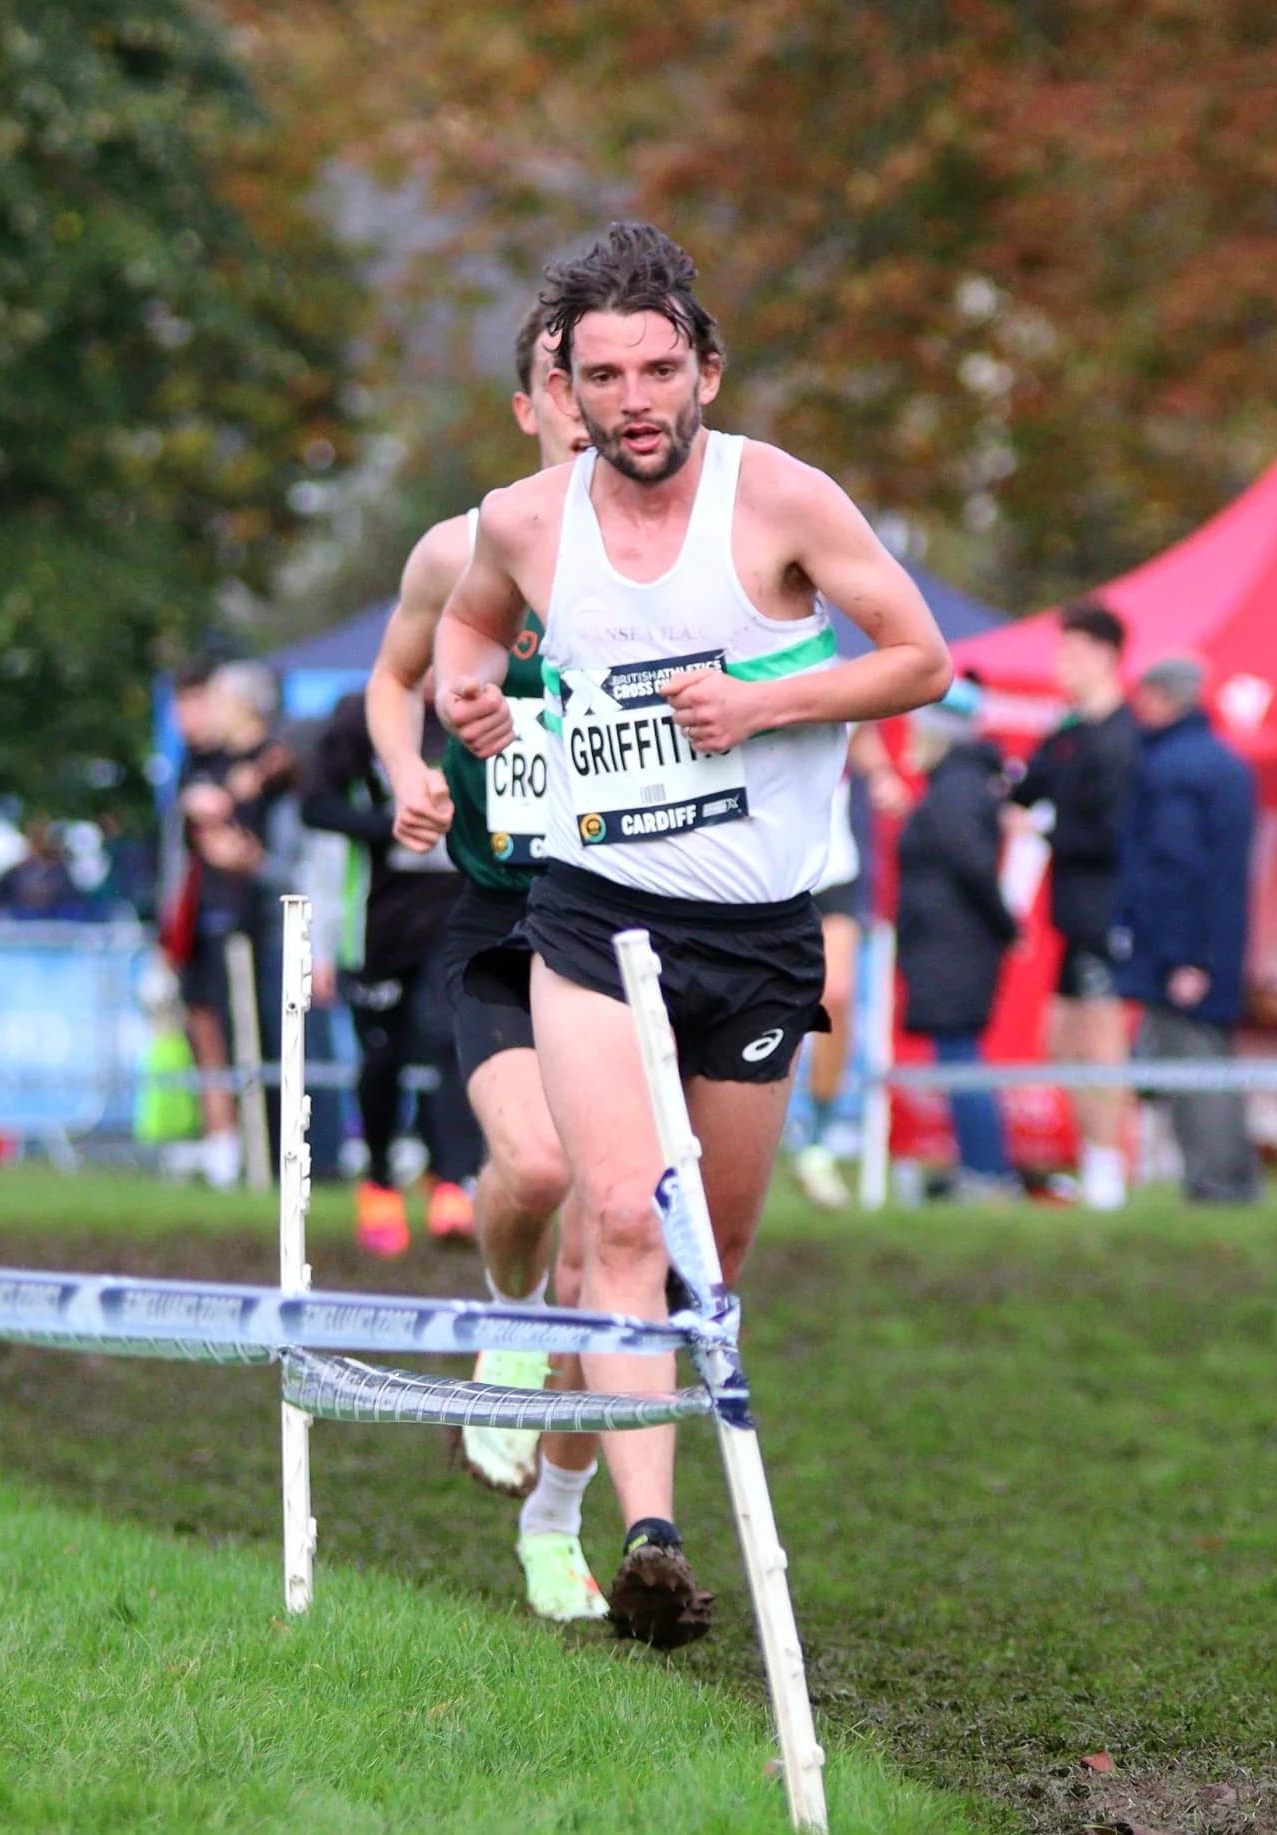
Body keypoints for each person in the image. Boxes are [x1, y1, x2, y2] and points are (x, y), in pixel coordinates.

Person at [435, 221, 951, 1646]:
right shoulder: (526, 522)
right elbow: (465, 634)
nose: (634, 397)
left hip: (759, 932)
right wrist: (473, 699)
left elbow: (921, 658)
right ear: (567, 388)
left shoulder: (778, 498)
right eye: (603, 374)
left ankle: (553, 1491)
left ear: (705, 370)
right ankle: (649, 1536)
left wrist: (763, 702)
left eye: (659, 366)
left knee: (702, 1254)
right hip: (598, 914)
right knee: (613, 1213)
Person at [367, 302, 610, 1619]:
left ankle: (550, 1519)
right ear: (530, 406)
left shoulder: (663, 564)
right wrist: (406, 770)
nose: (589, 403)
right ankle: (503, 1329)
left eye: (614, 378)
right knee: (532, 1167)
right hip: (500, 919)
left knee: (609, 1252)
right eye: (563, 381)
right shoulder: (458, 547)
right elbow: (389, 675)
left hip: (631, 921)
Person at [301, 687, 481, 1257]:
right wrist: (392, 823)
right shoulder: (362, 715)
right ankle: (379, 1180)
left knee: (453, 1041)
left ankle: (453, 1181)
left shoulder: (479, 707)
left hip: (457, 914)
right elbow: (315, 807)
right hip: (373, 927)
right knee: (383, 1058)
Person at [1114, 658, 1261, 1205]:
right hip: (1216, 941)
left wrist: (1182, 957)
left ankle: (1216, 1184)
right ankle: (1235, 1180)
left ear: (1161, 696)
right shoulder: (1224, 763)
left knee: (1193, 1069)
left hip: (1182, 950)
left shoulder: (1172, 768)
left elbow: (1173, 869)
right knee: (1215, 1062)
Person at [1011, 598, 1137, 1211]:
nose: (1063, 662)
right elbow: (1023, 787)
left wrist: (1041, 829)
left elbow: (1115, 832)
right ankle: (1095, 1156)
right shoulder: (1066, 732)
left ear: (1108, 656)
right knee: (1062, 1040)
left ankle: (1110, 1165)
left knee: (1100, 1036)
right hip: (1068, 909)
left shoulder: (1125, 736)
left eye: (1075, 650)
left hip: (1109, 908)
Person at [894, 680, 1020, 1199]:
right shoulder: (961, 784)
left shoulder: (955, 788)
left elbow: (970, 863)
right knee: (957, 1054)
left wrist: (1004, 925)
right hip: (952, 940)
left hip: (953, 943)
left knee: (959, 1055)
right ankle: (981, 1167)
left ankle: (987, 1172)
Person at [165, 659, 287, 1192]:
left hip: (258, 917)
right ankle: (223, 1147)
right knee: (207, 1030)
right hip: (200, 920)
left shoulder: (273, 762)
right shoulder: (200, 763)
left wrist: (248, 852)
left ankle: (272, 1148)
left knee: (257, 1032)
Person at [789, 727, 907, 1209]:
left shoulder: (831, 670)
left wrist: (883, 778)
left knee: (835, 996)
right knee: (769, 1008)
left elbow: (863, 743)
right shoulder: (740, 668)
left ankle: (817, 1139)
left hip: (834, 870)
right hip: (765, 870)